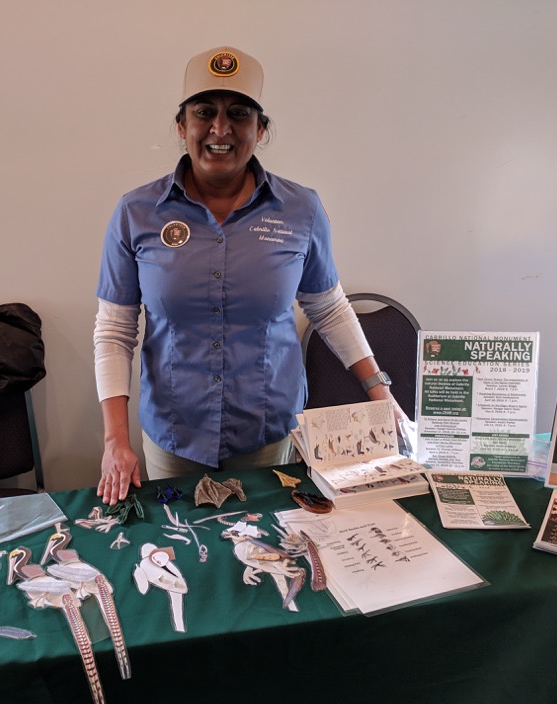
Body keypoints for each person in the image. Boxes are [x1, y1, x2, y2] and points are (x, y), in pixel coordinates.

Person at [94, 45, 407, 504]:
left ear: (260, 130)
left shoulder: (302, 209)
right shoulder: (136, 213)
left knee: (264, 550)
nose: (220, 129)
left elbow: (328, 308)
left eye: (239, 114)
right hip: (175, 436)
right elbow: (115, 330)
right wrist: (114, 441)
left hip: (268, 434)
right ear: (182, 126)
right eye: (205, 112)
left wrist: (380, 392)